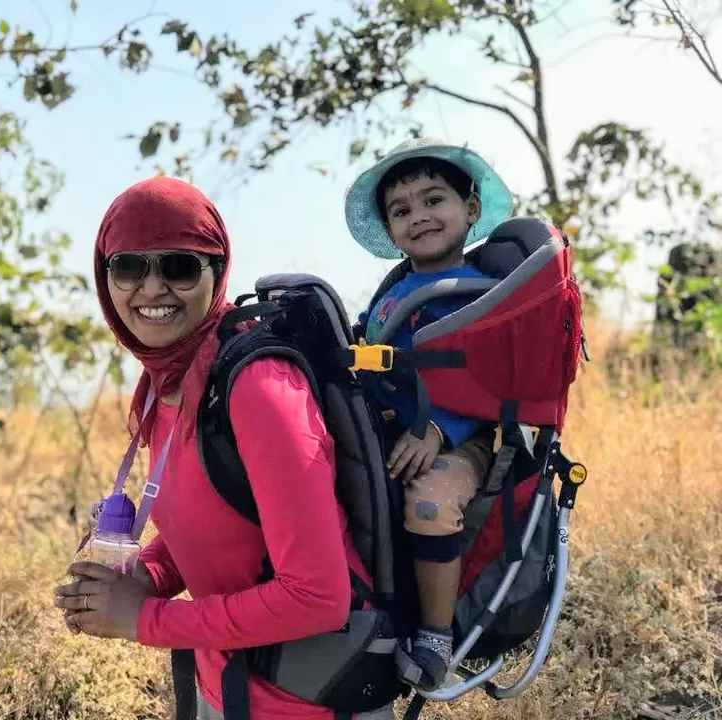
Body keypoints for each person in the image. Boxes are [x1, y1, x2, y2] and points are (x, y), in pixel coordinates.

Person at [53, 176, 394, 719]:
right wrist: (145, 575)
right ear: (105, 277)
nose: (152, 288)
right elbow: (226, 524)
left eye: (180, 266)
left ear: (217, 270)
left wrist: (145, 621)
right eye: (128, 267)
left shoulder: (258, 386)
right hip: (225, 687)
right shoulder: (166, 384)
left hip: (306, 701)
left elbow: (318, 596)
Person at [344, 137, 514, 689]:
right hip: (388, 427)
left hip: (464, 436)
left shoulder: (481, 295)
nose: (418, 216)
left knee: (430, 499)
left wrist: (439, 431)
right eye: (401, 210)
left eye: (433, 200)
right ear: (391, 232)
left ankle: (437, 633)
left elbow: (491, 382)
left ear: (469, 209)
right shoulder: (395, 291)